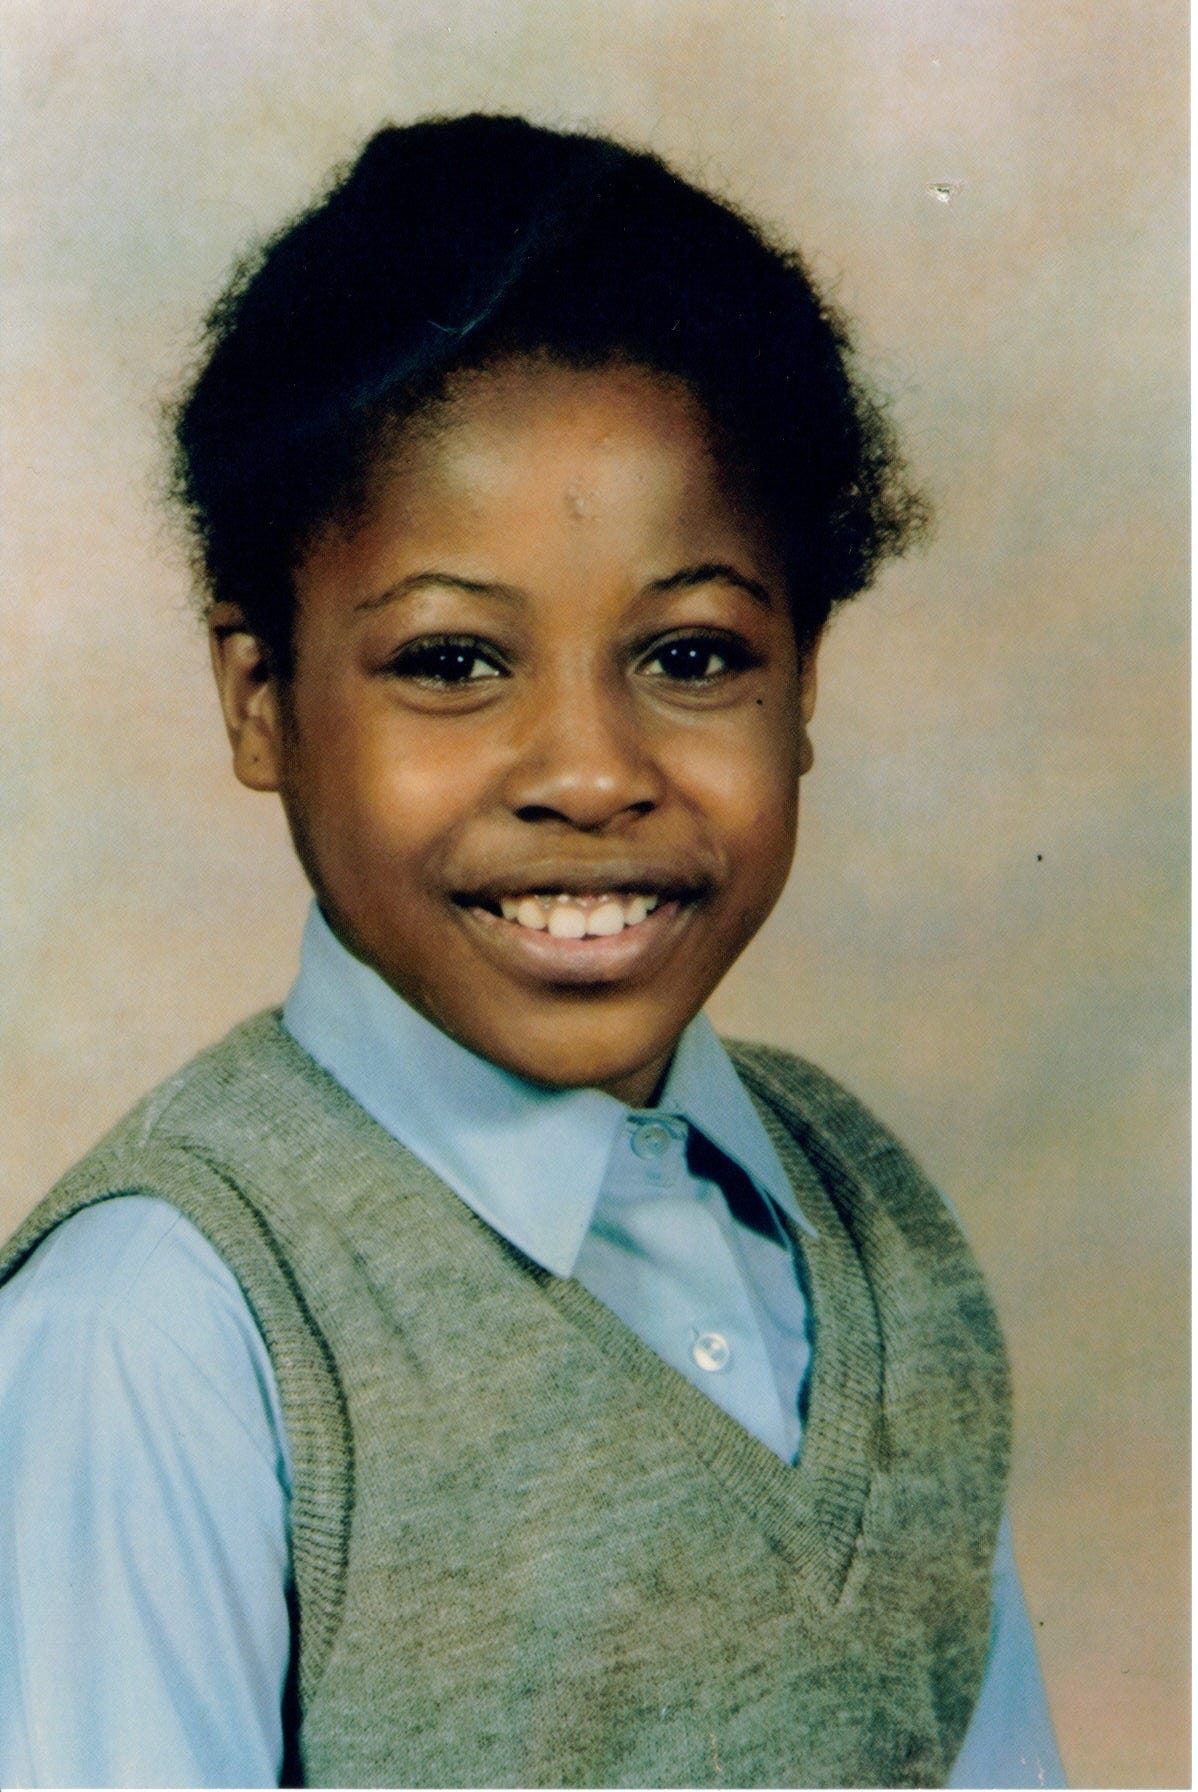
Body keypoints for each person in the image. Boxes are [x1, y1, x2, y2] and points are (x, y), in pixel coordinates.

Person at [0, 114, 1065, 1788]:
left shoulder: (877, 1236)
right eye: (450, 660)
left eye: (693, 652)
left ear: (804, 688)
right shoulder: (164, 1331)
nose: (588, 772)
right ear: (261, 699)